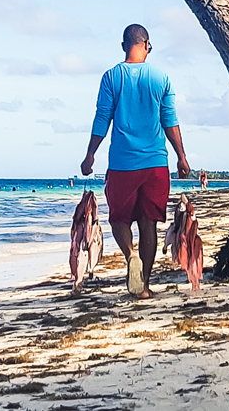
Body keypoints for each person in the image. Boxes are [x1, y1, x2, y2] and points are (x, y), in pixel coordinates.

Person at [80, 24, 191, 300]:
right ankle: (143, 287)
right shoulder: (160, 78)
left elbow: (102, 118)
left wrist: (90, 154)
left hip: (122, 164)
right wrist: (182, 156)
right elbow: (170, 121)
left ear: (123, 46)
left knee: (119, 219)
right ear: (147, 45)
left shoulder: (111, 77)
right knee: (148, 224)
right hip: (155, 162)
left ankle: (131, 255)